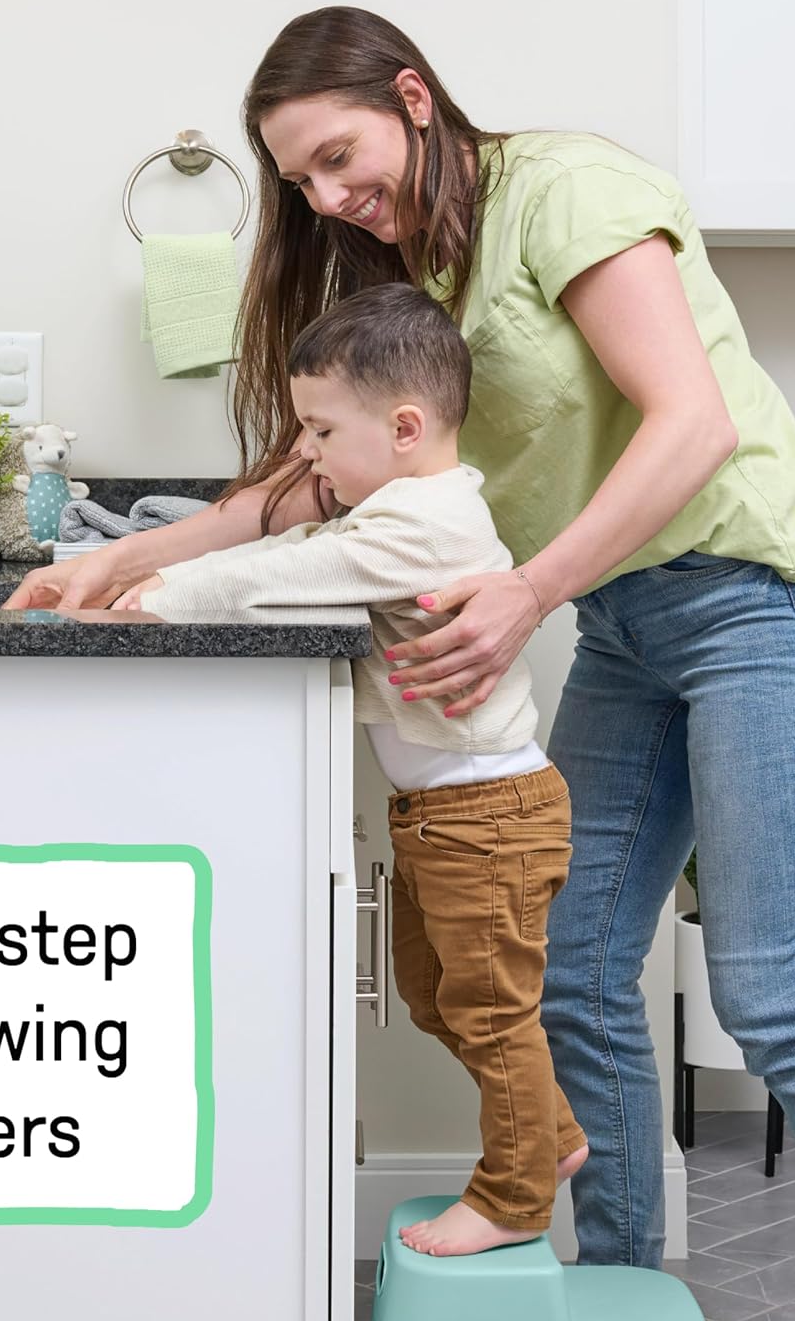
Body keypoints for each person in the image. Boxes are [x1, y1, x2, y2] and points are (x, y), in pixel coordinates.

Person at [6, 7, 795, 1321]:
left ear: (410, 97)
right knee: (575, 971)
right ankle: (620, 1292)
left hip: (755, 598)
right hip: (634, 619)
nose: (326, 200)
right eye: (300, 184)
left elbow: (692, 424)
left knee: (770, 994)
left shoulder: (564, 190)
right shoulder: (417, 275)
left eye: (338, 158)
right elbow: (325, 476)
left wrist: (529, 589)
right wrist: (121, 565)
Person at [134, 281, 589, 1258]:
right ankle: (549, 1137)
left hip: (487, 816)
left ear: (407, 427)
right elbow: (307, 542)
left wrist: (146, 597)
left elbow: (273, 572)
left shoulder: (419, 523)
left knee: (493, 1011)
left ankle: (515, 1196)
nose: (306, 452)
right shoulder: (398, 511)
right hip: (447, 813)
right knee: (437, 995)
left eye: (321, 430)